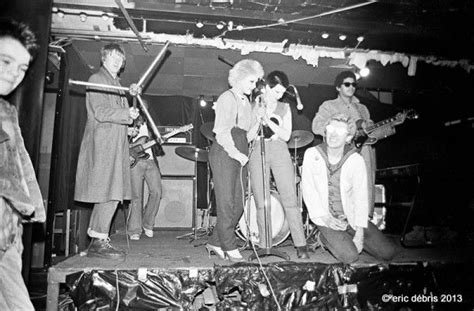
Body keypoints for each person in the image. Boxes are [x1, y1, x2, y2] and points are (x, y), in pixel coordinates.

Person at [301, 113, 397, 263]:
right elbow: (308, 189)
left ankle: (348, 236)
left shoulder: (356, 160)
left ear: (348, 138)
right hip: (326, 217)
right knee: (350, 256)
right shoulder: (312, 154)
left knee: (388, 253)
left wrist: (359, 233)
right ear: (325, 132)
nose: (333, 134)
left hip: (350, 217)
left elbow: (360, 196)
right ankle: (321, 236)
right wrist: (325, 218)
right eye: (330, 129)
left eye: (339, 131)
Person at [74, 43, 139, 260]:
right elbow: (101, 112)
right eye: (113, 57)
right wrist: (126, 112)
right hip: (103, 145)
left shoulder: (116, 84)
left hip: (115, 145)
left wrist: (130, 121)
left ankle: (97, 239)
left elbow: (118, 115)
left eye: (120, 58)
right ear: (103, 59)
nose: (117, 61)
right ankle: (99, 241)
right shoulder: (96, 79)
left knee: (111, 192)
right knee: (108, 191)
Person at [0, 19, 45, 310]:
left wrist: (31, 209)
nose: (13, 74)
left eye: (21, 69)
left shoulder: (7, 110)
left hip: (8, 235)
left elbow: (20, 164)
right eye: (5, 61)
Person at [205, 59, 264, 262]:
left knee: (239, 204)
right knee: (226, 203)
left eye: (256, 82)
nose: (254, 86)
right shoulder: (226, 98)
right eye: (251, 81)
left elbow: (246, 136)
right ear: (238, 78)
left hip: (240, 150)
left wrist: (258, 121)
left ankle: (214, 242)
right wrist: (235, 153)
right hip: (224, 152)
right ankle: (229, 247)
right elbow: (221, 131)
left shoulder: (246, 102)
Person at [248, 70, 309, 259]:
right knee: (261, 201)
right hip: (258, 150)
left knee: (290, 198)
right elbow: (248, 137)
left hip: (280, 150)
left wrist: (268, 120)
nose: (280, 95)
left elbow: (286, 135)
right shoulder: (253, 105)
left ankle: (301, 244)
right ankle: (265, 244)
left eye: (282, 92)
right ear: (266, 87)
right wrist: (257, 119)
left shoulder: (284, 108)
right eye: (276, 92)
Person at [312, 71, 378, 217]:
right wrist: (338, 129)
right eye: (347, 84)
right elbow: (316, 126)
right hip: (341, 152)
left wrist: (371, 128)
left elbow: (372, 132)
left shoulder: (362, 108)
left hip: (364, 150)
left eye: (354, 84)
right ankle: (339, 217)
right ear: (338, 87)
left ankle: (365, 218)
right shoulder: (329, 106)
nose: (351, 87)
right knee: (341, 185)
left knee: (364, 184)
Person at [127, 111, 162, 240]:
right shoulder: (129, 121)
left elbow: (151, 143)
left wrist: (159, 140)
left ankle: (148, 224)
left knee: (157, 192)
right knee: (136, 196)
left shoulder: (151, 126)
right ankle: (134, 230)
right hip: (135, 161)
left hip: (151, 160)